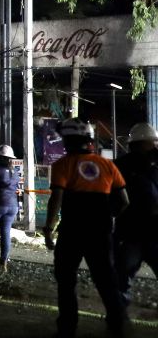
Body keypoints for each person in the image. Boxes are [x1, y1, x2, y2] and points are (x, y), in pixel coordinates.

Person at [44, 117, 128, 337]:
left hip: (72, 231)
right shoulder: (108, 165)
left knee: (66, 280)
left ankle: (67, 328)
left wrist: (48, 228)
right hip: (100, 231)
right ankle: (117, 324)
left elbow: (57, 199)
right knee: (106, 279)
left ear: (69, 140)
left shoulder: (63, 165)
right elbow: (124, 201)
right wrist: (110, 218)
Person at [115, 122, 158, 309]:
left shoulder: (153, 166)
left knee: (122, 275)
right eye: (152, 142)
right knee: (122, 275)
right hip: (132, 232)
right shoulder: (122, 167)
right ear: (141, 144)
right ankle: (118, 316)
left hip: (144, 232)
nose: (155, 146)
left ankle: (118, 315)